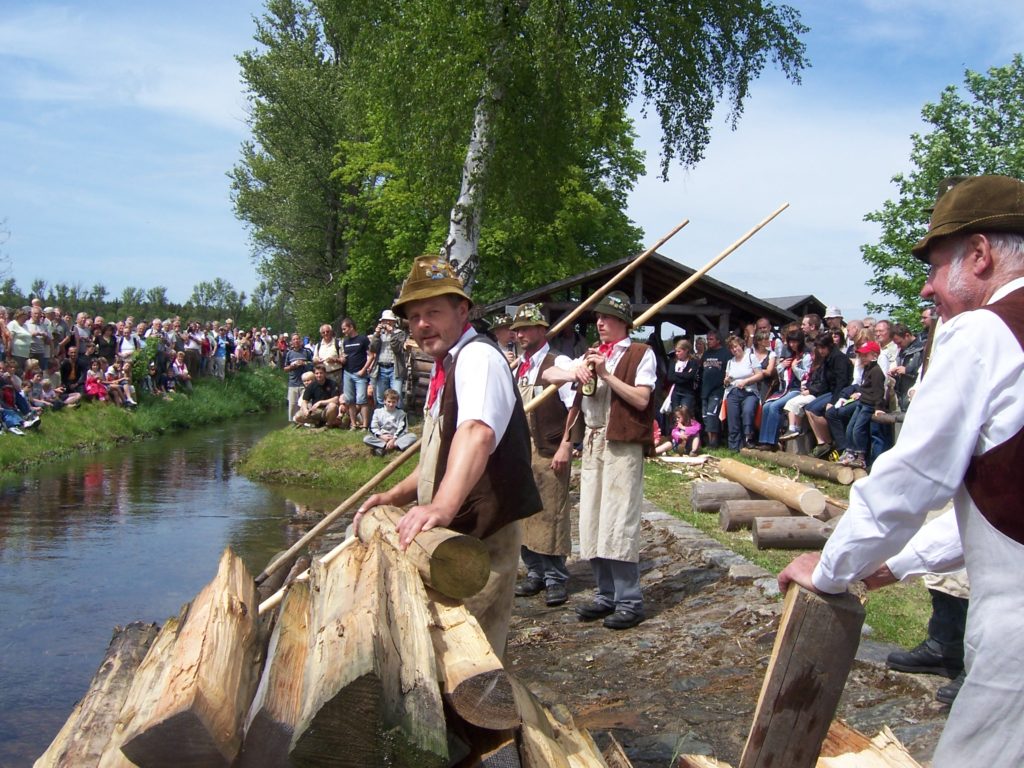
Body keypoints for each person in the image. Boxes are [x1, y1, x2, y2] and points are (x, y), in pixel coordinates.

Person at [778, 174, 1024, 767]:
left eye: (937, 267)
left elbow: (910, 482)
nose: (928, 285)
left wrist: (833, 571)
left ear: (981, 255)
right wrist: (899, 562)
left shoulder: (982, 333)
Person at [354, 255, 541, 657]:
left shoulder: (478, 359)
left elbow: (476, 434)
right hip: (452, 538)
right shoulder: (448, 366)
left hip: (480, 542)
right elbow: (438, 456)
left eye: (433, 312)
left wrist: (440, 507)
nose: (422, 325)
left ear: (462, 310)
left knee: (471, 663)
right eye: (414, 316)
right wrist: (394, 497)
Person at [542, 291, 656, 630]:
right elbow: (555, 381)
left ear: (623, 322)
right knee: (592, 516)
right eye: (598, 318)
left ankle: (629, 601)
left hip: (622, 443)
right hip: (592, 441)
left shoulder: (641, 354)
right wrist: (566, 438)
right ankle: (605, 595)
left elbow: (641, 399)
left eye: (606, 318)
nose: (600, 323)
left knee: (618, 519)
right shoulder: (592, 355)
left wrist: (606, 374)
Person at [508, 303, 577, 608]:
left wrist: (567, 444)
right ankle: (534, 573)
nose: (520, 334)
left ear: (540, 329)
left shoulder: (559, 362)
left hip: (549, 448)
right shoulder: (518, 366)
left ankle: (555, 579)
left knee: (552, 513)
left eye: (525, 328)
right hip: (521, 450)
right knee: (524, 512)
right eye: (517, 330)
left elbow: (576, 405)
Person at [723, 334, 763, 450]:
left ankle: (748, 438)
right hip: (733, 391)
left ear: (741, 345)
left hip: (749, 391)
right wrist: (726, 381)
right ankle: (734, 446)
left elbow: (760, 375)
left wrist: (746, 381)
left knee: (747, 411)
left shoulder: (751, 357)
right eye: (731, 348)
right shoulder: (730, 362)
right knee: (733, 419)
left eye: (736, 346)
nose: (734, 349)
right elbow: (725, 381)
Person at [340, 317, 375, 430]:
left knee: (362, 399)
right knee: (350, 399)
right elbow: (345, 356)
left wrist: (364, 370)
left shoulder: (363, 339)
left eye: (344, 329)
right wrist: (342, 359)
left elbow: (371, 356)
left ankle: (365, 425)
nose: (343, 331)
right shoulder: (345, 341)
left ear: (351, 327)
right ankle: (353, 424)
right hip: (347, 372)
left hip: (360, 373)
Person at [369, 310, 408, 406]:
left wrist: (392, 334)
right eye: (384, 321)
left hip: (395, 369)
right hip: (381, 368)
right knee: (380, 397)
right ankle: (381, 418)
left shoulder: (400, 333)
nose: (387, 323)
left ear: (394, 322)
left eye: (389, 320)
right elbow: (373, 348)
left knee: (396, 395)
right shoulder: (379, 334)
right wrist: (376, 335)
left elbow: (397, 349)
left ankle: (398, 419)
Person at [698, 330, 731, 448]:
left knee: (712, 415)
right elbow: (701, 370)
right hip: (705, 390)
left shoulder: (726, 353)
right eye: (708, 339)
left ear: (718, 340)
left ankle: (714, 442)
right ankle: (708, 441)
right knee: (705, 416)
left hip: (717, 390)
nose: (709, 341)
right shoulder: (706, 354)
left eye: (711, 339)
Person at [363, 388, 417, 455]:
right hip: (382, 437)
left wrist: (394, 439)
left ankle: (386, 447)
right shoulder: (377, 412)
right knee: (366, 439)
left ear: (397, 402)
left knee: (413, 436)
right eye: (389, 402)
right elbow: (373, 427)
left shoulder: (401, 413)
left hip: (395, 437)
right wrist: (381, 436)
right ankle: (387, 445)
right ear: (384, 401)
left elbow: (403, 428)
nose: (391, 404)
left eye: (393, 402)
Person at [295, 363, 342, 428]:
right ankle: (318, 422)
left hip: (327, 410)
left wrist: (320, 402)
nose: (319, 375)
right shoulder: (311, 386)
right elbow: (304, 401)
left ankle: (328, 425)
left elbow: (336, 399)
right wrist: (305, 410)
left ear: (325, 373)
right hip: (315, 411)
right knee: (298, 417)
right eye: (317, 373)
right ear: (314, 374)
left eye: (321, 373)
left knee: (332, 406)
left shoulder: (332, 383)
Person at [283, 334, 313, 421]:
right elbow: (285, 369)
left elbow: (313, 365)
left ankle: (306, 420)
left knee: (305, 403)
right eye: (294, 339)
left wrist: (303, 363)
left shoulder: (307, 352)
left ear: (300, 341)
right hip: (293, 383)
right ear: (292, 342)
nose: (296, 341)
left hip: (306, 383)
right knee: (292, 405)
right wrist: (293, 366)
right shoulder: (289, 353)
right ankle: (293, 422)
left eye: (297, 339)